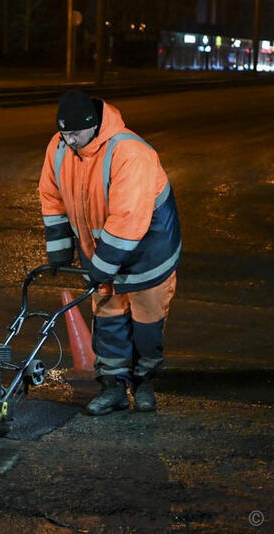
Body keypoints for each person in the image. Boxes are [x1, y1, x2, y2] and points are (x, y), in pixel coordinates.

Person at [38, 90, 181, 415]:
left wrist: (101, 265)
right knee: (109, 323)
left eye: (75, 133)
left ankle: (144, 385)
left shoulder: (130, 153)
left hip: (148, 257)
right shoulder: (59, 148)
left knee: (146, 328)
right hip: (103, 256)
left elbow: (128, 219)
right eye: (64, 132)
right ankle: (113, 388)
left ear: (93, 126)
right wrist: (60, 250)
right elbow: (52, 197)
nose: (69, 140)